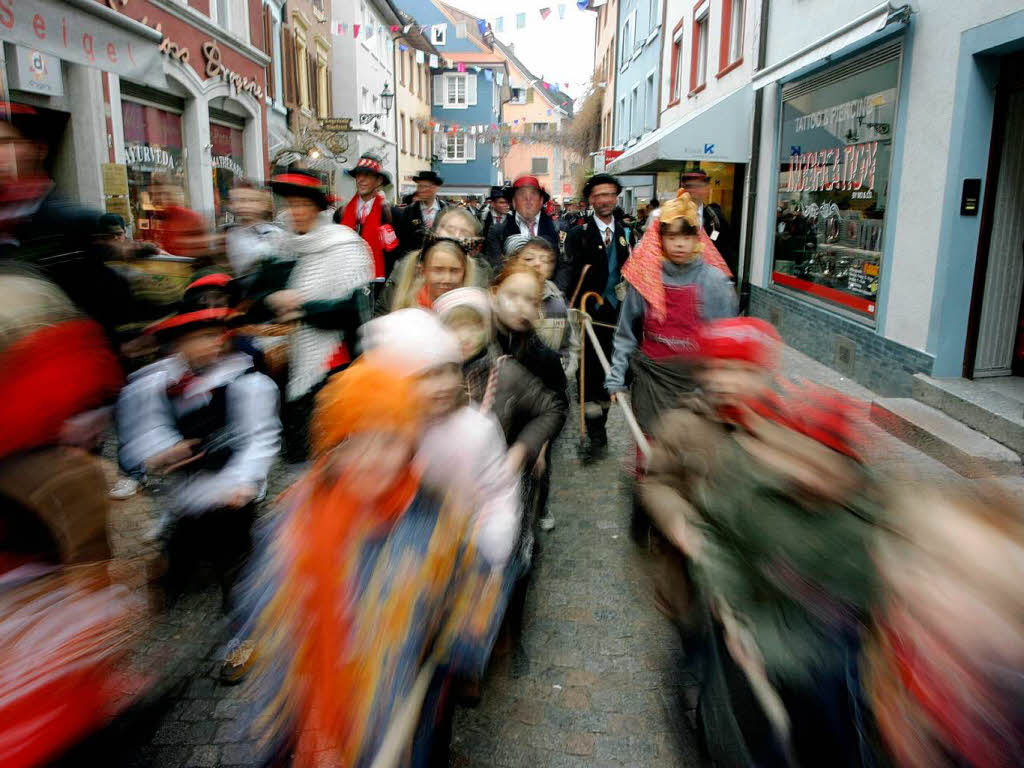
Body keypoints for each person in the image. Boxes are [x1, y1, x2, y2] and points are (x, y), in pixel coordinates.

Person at [242, 358, 508, 767]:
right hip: (314, 701)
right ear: (331, 450)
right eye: (354, 442)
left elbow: (475, 590)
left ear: (409, 443)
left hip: (396, 703)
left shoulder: (437, 518)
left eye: (388, 441)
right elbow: (265, 607)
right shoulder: (296, 517)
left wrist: (459, 645)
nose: (372, 458)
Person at [643, 317, 881, 768]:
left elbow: (838, 498)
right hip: (694, 585)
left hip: (771, 601)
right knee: (700, 662)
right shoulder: (682, 424)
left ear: (764, 373)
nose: (728, 382)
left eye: (743, 370)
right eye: (719, 369)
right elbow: (655, 482)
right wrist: (680, 521)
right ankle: (700, 719)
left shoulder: (795, 428)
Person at [117, 306, 280, 612]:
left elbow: (260, 436)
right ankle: (173, 591)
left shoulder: (245, 382)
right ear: (178, 345)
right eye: (203, 337)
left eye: (216, 336)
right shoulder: (152, 386)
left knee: (236, 561)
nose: (215, 343)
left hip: (230, 494)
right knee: (180, 558)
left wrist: (243, 482)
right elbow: (142, 433)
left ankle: (241, 611)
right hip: (184, 498)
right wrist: (162, 451)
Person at [435, 287, 566, 571]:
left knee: (501, 565)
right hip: (446, 497)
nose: (464, 336)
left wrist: (523, 448)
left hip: (498, 490)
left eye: (473, 325)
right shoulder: (430, 379)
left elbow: (551, 407)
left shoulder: (505, 372)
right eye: (454, 326)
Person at [248, 171, 373, 462]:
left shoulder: (344, 245)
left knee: (331, 440)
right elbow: (254, 299)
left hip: (333, 358)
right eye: (291, 204)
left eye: (303, 204)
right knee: (298, 443)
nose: (296, 212)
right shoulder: (282, 249)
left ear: (317, 208)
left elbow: (352, 311)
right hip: (286, 358)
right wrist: (271, 299)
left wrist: (303, 308)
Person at [606, 191, 738, 437]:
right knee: (652, 454)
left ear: (697, 238)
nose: (679, 244)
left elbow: (727, 345)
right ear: (660, 238)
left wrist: (714, 390)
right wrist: (616, 378)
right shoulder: (646, 279)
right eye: (672, 236)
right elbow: (626, 333)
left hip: (696, 387)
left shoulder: (714, 282)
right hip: (652, 383)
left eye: (687, 236)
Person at [489, 261, 568, 534]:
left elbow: (558, 404)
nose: (520, 306)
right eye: (512, 296)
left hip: (520, 451)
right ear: (493, 293)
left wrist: (537, 445)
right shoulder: (475, 341)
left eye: (530, 300)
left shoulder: (543, 356)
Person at [560, 173, 632, 461]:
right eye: (598, 195)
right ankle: (594, 432)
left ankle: (601, 420)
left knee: (612, 373)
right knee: (589, 374)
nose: (604, 200)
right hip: (589, 317)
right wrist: (571, 306)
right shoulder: (578, 234)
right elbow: (569, 273)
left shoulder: (627, 233)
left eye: (609, 194)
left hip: (617, 317)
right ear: (590, 200)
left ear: (615, 198)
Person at [506, 235, 579, 379]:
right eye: (528, 259)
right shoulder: (504, 299)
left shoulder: (556, 297)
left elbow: (570, 342)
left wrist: (566, 370)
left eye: (543, 259)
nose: (536, 264)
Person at [334, 153, 399, 279]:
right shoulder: (341, 214)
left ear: (378, 181)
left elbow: (395, 254)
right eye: (358, 175)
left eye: (367, 175)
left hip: (377, 283)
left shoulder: (392, 215)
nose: (361, 180)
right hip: (347, 280)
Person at [376, 236, 478, 316]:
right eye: (438, 270)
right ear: (422, 271)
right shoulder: (408, 308)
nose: (447, 279)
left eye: (455, 271)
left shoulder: (472, 309)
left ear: (465, 272)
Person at [484, 175, 560, 272]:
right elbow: (494, 266)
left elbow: (560, 265)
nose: (528, 200)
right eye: (522, 195)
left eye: (533, 195)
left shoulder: (554, 227)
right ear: (514, 202)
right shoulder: (498, 231)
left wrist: (550, 286)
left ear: (541, 201)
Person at [680, 169, 736, 277]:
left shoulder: (716, 219)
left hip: (708, 276)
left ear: (706, 188)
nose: (694, 190)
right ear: (683, 189)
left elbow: (725, 248)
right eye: (690, 186)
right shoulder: (672, 215)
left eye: (699, 186)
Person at [223, 179, 281, 278]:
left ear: (263, 204)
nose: (244, 205)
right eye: (238, 200)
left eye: (251, 200)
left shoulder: (275, 233)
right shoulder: (228, 234)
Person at [395, 170, 447, 261]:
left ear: (434, 188)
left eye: (425, 186)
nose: (421, 190)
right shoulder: (409, 211)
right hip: (415, 263)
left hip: (440, 261)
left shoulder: (445, 211)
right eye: (419, 186)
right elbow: (403, 241)